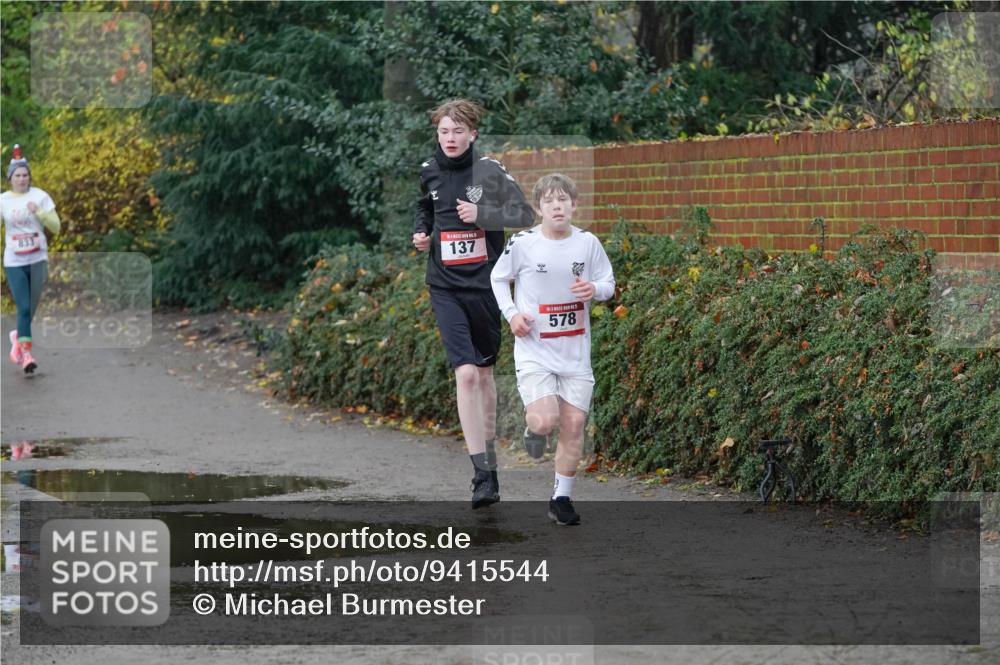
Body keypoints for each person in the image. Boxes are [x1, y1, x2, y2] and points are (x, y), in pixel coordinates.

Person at [413, 99, 535, 509]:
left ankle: (490, 464)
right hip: (444, 286)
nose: (450, 138)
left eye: (457, 132)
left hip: (486, 287)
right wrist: (421, 232)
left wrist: (482, 213)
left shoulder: (490, 171)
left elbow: (524, 214)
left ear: (472, 135)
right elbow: (423, 208)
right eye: (444, 131)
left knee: (483, 375)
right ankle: (481, 473)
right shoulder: (428, 171)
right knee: (465, 374)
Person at [490, 173, 615, 525]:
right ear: (538, 208)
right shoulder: (523, 243)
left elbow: (608, 282)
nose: (557, 206)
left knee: (574, 424)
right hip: (535, 349)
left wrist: (595, 289)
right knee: (546, 420)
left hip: (575, 352)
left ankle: (561, 498)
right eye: (549, 201)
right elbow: (498, 279)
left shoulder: (588, 243)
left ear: (575, 205)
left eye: (563, 200)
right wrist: (512, 315)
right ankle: (535, 430)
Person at [2, 145, 60, 374]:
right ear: (10, 178)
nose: (22, 179)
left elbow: (56, 227)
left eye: (25, 175)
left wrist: (41, 212)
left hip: (38, 259)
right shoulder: (4, 200)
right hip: (14, 261)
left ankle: (17, 336)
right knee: (23, 307)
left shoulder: (41, 196)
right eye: (17, 175)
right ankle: (26, 354)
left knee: (30, 308)